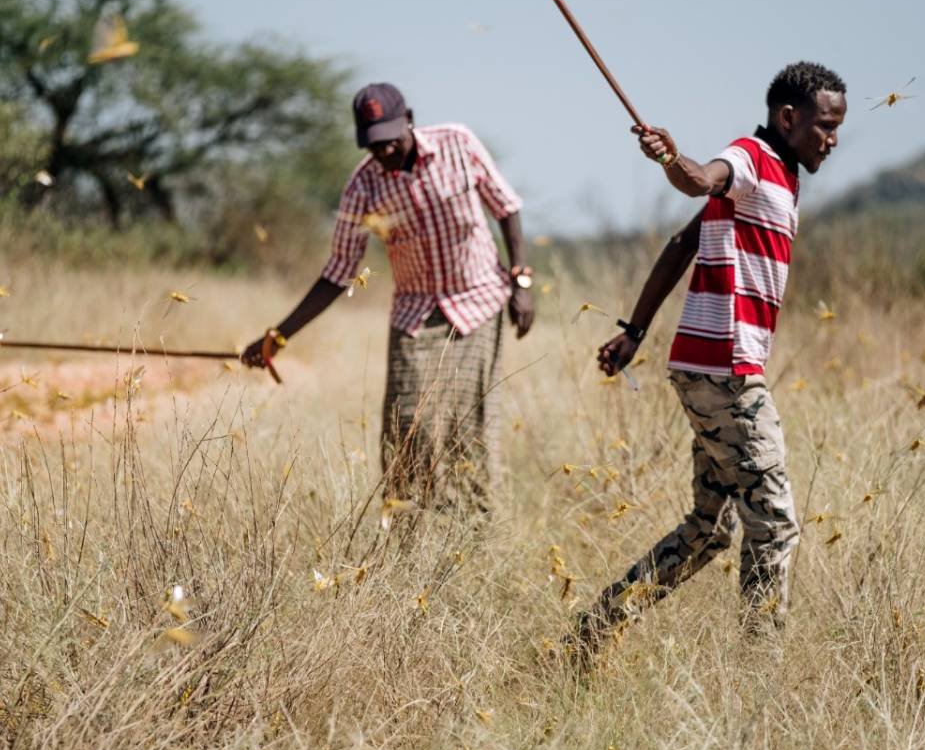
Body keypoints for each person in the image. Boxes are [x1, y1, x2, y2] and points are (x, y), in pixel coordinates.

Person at [574, 62, 848, 658]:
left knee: (711, 529)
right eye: (824, 126)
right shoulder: (751, 158)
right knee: (773, 524)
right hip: (726, 373)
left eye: (837, 128)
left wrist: (634, 331)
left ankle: (589, 636)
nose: (832, 139)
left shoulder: (782, 180)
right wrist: (673, 159)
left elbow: (682, 243)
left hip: (712, 367)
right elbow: (703, 177)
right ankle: (757, 679)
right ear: (789, 118)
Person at [241, 83, 533, 509]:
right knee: (406, 425)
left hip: (479, 300)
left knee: (465, 427)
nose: (384, 153)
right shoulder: (363, 187)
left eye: (391, 141)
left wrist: (521, 280)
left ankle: (473, 527)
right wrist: (278, 335)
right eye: (373, 145)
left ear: (409, 119)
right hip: (415, 313)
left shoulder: (458, 143)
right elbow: (339, 272)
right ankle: (406, 530)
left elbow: (506, 207)